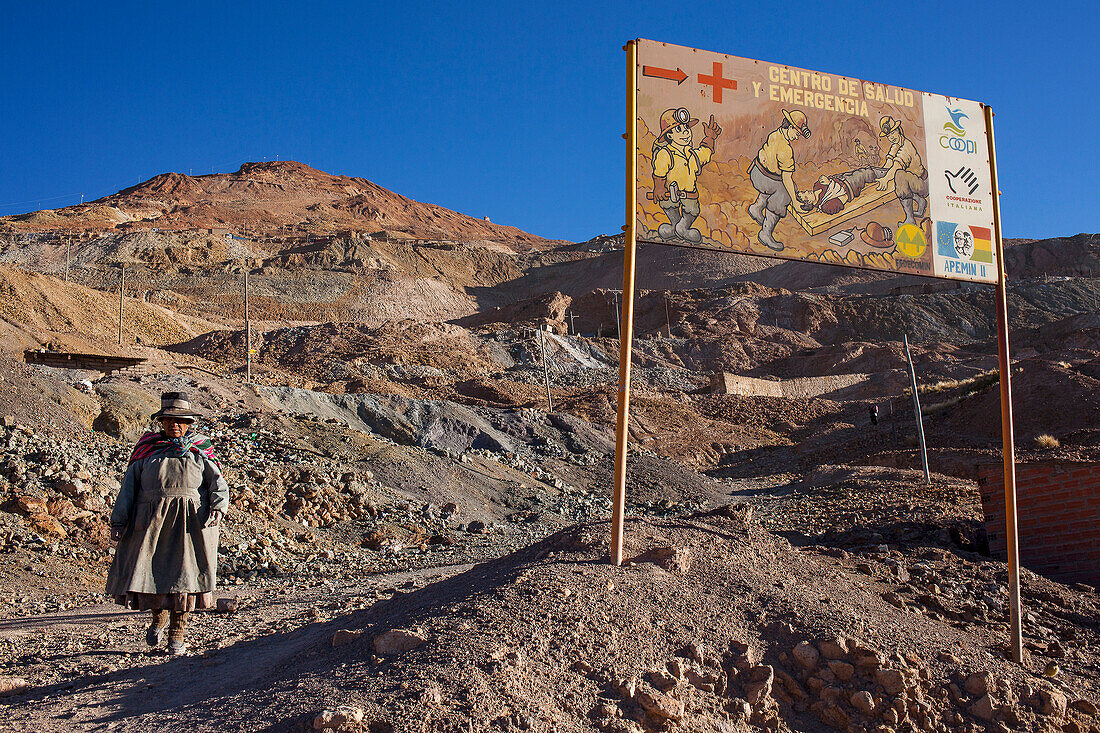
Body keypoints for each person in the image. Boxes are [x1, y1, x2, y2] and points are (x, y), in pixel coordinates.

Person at [105, 392, 229, 655]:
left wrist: (219, 507)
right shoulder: (147, 451)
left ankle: (177, 636)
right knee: (154, 575)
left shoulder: (200, 450)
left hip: (190, 525)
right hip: (152, 523)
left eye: (180, 420)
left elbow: (218, 483)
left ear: (189, 423)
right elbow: (128, 488)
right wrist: (119, 521)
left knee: (185, 578)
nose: (175, 424)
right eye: (169, 419)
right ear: (161, 422)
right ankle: (157, 620)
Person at [651, 107, 722, 243]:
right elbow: (659, 172)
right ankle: (675, 227)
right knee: (670, 208)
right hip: (669, 195)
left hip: (689, 194)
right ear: (669, 135)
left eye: (686, 129)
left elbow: (705, 152)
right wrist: (659, 187)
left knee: (693, 211)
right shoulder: (665, 153)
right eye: (679, 129)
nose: (685, 133)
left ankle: (680, 228)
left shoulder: (692, 154)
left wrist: (710, 137)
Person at [748, 109, 814, 251]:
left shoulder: (775, 134)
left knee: (778, 186)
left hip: (756, 172)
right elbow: (786, 178)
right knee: (784, 195)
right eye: (797, 133)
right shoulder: (786, 149)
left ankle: (756, 208)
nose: (797, 138)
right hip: (764, 177)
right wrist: (795, 202)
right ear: (790, 127)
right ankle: (766, 233)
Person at [875, 116, 928, 227]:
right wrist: (883, 174)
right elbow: (890, 162)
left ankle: (910, 219)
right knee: (898, 178)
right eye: (889, 135)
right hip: (914, 181)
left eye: (893, 133)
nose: (891, 137)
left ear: (898, 130)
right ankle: (921, 202)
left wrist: (885, 179)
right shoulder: (896, 145)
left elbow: (896, 166)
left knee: (900, 176)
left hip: (922, 183)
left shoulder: (906, 146)